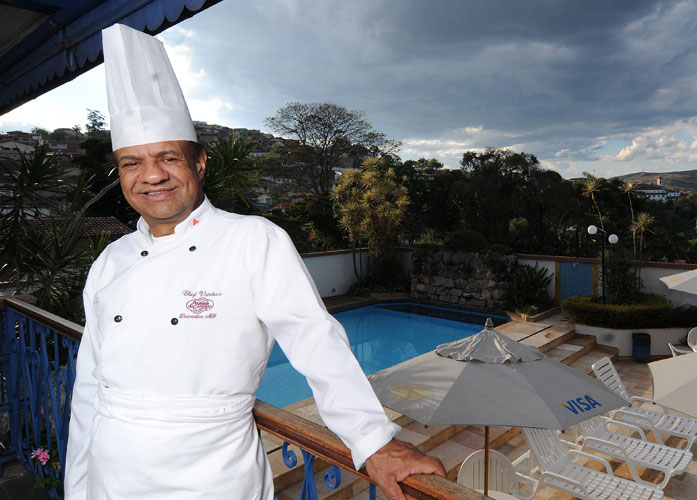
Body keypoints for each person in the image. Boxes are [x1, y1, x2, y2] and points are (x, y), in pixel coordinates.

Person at [64, 24, 444, 500]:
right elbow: (89, 389)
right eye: (132, 163)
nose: (152, 176)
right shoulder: (110, 261)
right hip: (111, 476)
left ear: (199, 162)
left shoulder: (252, 240)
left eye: (168, 158)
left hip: (213, 478)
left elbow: (315, 340)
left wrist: (374, 440)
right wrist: (78, 487)